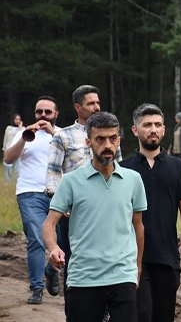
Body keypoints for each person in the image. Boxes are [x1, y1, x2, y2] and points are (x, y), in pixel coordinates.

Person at [42, 111, 147, 322]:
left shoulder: (134, 180)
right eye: (100, 139)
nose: (107, 145)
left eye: (112, 138)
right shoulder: (71, 181)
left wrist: (137, 267)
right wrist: (53, 248)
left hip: (122, 276)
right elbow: (49, 225)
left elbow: (138, 227)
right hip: (84, 278)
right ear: (89, 141)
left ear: (119, 140)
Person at [46, 84, 121, 316]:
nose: (97, 106)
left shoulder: (110, 132)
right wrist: (62, 201)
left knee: (110, 256)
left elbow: (118, 166)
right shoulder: (63, 136)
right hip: (74, 211)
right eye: (91, 103)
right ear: (78, 107)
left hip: (106, 208)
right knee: (75, 264)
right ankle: (75, 311)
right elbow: (52, 172)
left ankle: (106, 309)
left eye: (98, 102)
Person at [120, 104, 181, 322]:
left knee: (164, 317)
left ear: (164, 129)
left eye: (157, 125)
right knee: (142, 315)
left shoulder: (178, 167)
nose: (153, 129)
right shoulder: (123, 169)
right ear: (135, 130)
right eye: (147, 125)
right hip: (132, 258)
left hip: (167, 257)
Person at [3, 97, 61, 304]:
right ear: (35, 114)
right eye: (39, 112)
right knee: (36, 238)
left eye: (48, 112)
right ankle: (36, 288)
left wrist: (55, 134)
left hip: (59, 194)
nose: (43, 116)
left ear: (56, 114)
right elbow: (8, 159)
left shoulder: (62, 134)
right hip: (29, 193)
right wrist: (24, 138)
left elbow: (74, 158)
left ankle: (50, 270)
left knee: (61, 241)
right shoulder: (23, 133)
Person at [3, 113, 23, 183]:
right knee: (7, 167)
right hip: (9, 149)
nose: (17, 121)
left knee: (18, 168)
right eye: (16, 119)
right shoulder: (9, 128)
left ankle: (17, 182)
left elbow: (23, 136)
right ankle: (7, 182)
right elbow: (6, 139)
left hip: (18, 151)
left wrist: (20, 127)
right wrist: (4, 148)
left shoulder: (22, 129)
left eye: (19, 119)